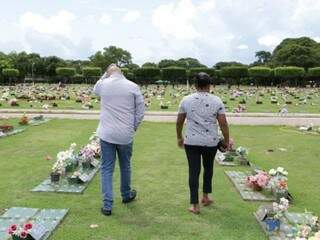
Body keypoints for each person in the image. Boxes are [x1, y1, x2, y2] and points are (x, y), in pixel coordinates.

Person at [93, 64, 145, 216]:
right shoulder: (133, 86)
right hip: (125, 134)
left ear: (108, 73)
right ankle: (126, 194)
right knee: (125, 166)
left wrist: (105, 74)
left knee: (107, 169)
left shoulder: (103, 84)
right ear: (122, 73)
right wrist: (133, 127)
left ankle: (107, 205)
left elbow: (94, 89)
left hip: (107, 134)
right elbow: (141, 111)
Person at [176, 72, 230, 214]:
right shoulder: (217, 100)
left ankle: (194, 205)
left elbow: (179, 121)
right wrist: (226, 139)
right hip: (210, 142)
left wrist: (179, 137)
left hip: (191, 141)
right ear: (209, 85)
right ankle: (205, 197)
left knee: (194, 171)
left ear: (195, 85)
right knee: (208, 169)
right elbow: (223, 123)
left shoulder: (186, 100)